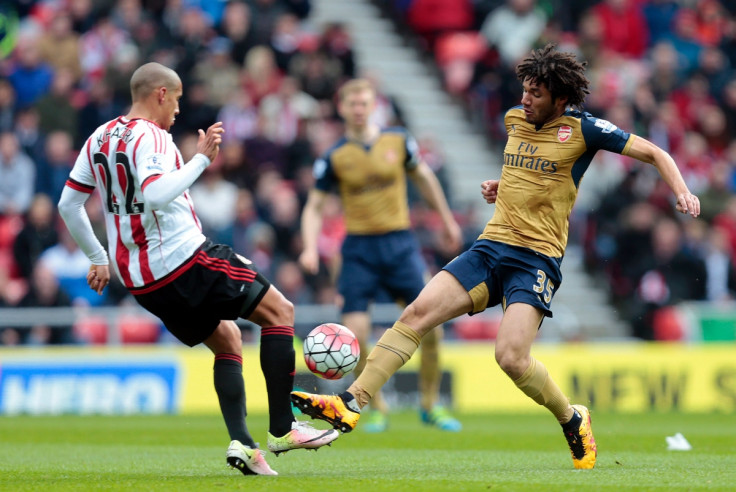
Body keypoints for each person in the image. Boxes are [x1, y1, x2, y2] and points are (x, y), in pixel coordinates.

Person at [291, 45, 701, 469]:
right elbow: (525, 173)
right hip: (490, 247)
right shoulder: (513, 120)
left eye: (536, 94)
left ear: (560, 99)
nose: (525, 100)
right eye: (524, 90)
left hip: (535, 259)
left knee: (510, 357)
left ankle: (571, 417)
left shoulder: (584, 130)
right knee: (415, 314)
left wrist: (682, 191)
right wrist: (498, 187)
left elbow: (655, 152)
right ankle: (351, 402)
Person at [57, 62, 338, 476]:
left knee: (228, 342)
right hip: (184, 258)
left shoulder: (99, 136)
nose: (178, 110)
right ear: (160, 95)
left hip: (143, 281)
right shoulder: (152, 136)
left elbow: (69, 204)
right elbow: (155, 194)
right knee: (281, 312)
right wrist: (201, 161)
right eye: (178, 99)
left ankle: (243, 444)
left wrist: (98, 257)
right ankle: (283, 428)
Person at [298, 78, 463, 432]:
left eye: (364, 103)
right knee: (354, 333)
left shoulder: (398, 141)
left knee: (431, 327)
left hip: (401, 245)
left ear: (373, 106)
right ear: (341, 109)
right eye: (352, 104)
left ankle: (430, 405)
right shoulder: (334, 157)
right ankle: (377, 406)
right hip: (359, 250)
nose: (358, 109)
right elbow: (314, 206)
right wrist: (310, 246)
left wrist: (447, 220)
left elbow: (424, 179)